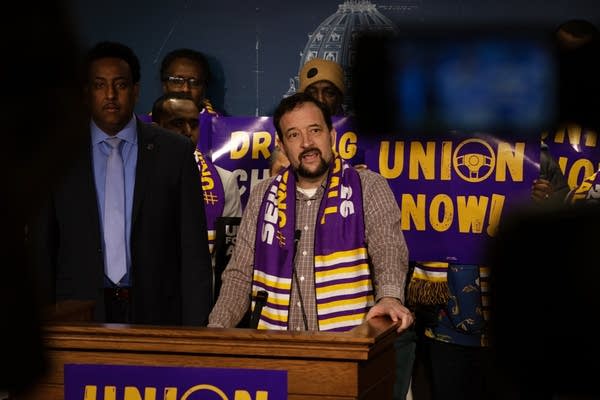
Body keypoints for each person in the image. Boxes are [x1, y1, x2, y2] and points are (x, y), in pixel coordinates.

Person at [32, 41, 212, 326]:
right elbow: (43, 247)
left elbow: (193, 252)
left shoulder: (174, 152)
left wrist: (196, 329)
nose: (111, 95)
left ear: (136, 90)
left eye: (121, 85)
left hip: (157, 312)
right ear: (86, 93)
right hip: (77, 312)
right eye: (100, 85)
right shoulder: (57, 155)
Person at [208, 92, 413, 336]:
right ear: (282, 145)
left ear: (332, 136)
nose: (307, 143)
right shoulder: (262, 195)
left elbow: (388, 248)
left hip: (348, 350)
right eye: (294, 135)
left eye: (315, 130)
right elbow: (240, 274)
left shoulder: (367, 186)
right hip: (275, 351)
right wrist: (216, 329)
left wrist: (389, 297)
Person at [151, 91, 242, 270]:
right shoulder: (134, 175)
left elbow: (228, 259)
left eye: (194, 124)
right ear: (155, 129)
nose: (187, 132)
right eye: (177, 123)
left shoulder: (224, 181)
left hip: (203, 290)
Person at [160, 48, 221, 115]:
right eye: (177, 81)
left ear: (204, 88)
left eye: (194, 82)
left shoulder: (220, 124)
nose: (185, 89)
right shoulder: (148, 124)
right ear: (165, 86)